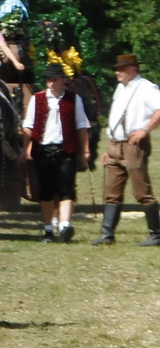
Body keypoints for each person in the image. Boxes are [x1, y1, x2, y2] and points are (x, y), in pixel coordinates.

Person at [93, 54, 160, 247]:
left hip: (133, 145)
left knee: (141, 190)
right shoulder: (120, 89)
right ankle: (107, 234)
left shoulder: (147, 88)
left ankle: (156, 234)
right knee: (111, 191)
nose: (117, 72)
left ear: (133, 69)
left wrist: (145, 130)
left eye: (122, 69)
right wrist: (109, 147)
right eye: (117, 69)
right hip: (116, 144)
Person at [23, 63, 90, 242]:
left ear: (63, 80)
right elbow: (28, 126)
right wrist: (25, 148)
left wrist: (85, 150)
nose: (50, 83)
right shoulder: (37, 99)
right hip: (43, 150)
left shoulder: (74, 100)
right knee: (45, 191)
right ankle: (48, 229)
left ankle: (64, 226)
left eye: (54, 80)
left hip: (65, 149)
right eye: (48, 80)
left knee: (66, 189)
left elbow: (82, 126)